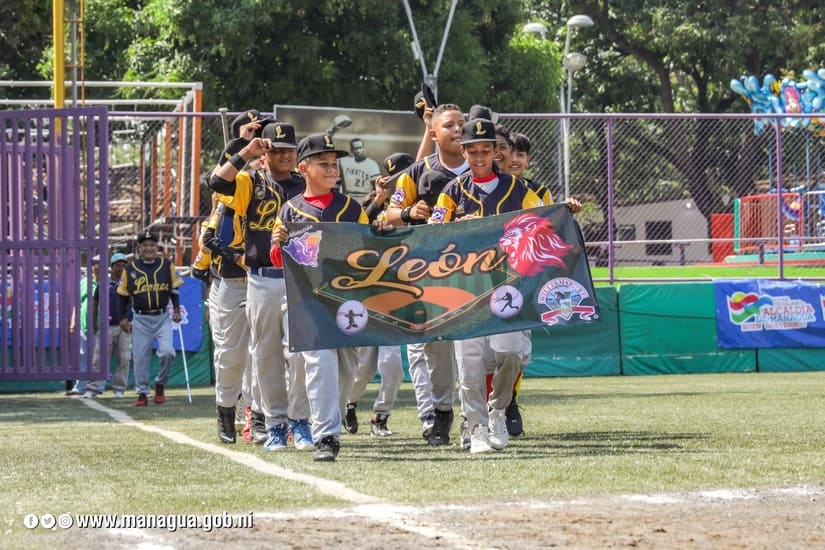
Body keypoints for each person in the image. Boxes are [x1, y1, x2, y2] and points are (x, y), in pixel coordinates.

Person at [428, 118, 543, 454]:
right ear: (464, 151)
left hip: (506, 284)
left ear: (496, 151)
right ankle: (475, 426)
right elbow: (433, 235)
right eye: (472, 150)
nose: (478, 156)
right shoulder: (452, 192)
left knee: (510, 353)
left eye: (485, 150)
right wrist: (457, 227)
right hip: (464, 287)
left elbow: (539, 225)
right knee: (470, 362)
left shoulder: (518, 190)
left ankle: (497, 411)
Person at [209, 120, 314, 452]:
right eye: (276, 149)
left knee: (299, 354)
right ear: (265, 152)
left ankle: (299, 421)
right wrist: (247, 151)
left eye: (289, 150)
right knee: (263, 355)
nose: (284, 155)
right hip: (259, 279)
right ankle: (269, 423)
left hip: (299, 279)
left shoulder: (305, 185)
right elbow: (215, 181)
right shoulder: (249, 182)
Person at [270, 133, 368, 461]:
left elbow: (370, 253)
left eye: (334, 164)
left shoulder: (352, 207)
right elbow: (276, 260)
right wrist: (278, 241)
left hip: (347, 302)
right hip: (309, 302)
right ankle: (325, 435)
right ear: (304, 168)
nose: (331, 169)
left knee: (346, 370)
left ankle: (332, 420)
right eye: (323, 164)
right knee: (320, 365)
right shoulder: (289, 211)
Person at [384, 103, 468, 446]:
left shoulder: (481, 167)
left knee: (481, 349)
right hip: (430, 274)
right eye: (450, 125)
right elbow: (388, 216)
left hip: (477, 271)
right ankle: (442, 414)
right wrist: (407, 212)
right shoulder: (417, 173)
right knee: (435, 349)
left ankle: (486, 413)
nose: (458, 131)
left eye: (461, 124)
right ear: (433, 133)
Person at [342, 153, 413, 436]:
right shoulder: (370, 209)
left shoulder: (420, 208)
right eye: (396, 179)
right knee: (364, 367)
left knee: (392, 365)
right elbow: (355, 231)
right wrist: (378, 202)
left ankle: (380, 417)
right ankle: (349, 404)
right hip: (368, 295)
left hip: (397, 297)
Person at [117, 231, 183, 406]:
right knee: (140, 357)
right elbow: (123, 296)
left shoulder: (166, 265)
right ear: (139, 248)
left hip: (162, 316)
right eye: (145, 245)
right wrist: (123, 317)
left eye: (152, 245)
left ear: (157, 247)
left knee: (168, 352)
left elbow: (174, 290)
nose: (148, 248)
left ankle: (160, 384)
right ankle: (142, 393)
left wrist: (176, 309)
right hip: (140, 318)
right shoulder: (130, 269)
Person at [83, 253, 133, 399]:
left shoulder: (131, 285)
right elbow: (94, 304)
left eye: (124, 266)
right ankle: (92, 388)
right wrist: (94, 324)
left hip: (125, 327)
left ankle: (119, 389)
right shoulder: (102, 284)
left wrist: (132, 322)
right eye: (118, 265)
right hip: (106, 326)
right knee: (98, 359)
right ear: (111, 267)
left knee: (124, 359)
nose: (121, 268)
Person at [338, 137, 381, 203]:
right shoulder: (344, 163)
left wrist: (371, 199)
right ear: (351, 150)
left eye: (360, 148)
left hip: (365, 197)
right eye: (355, 148)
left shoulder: (372, 164)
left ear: (363, 148)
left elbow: (377, 187)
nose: (358, 151)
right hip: (348, 198)